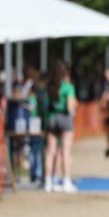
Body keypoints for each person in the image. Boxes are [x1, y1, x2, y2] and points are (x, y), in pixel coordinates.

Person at [44, 59, 78, 193]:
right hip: (64, 118)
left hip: (51, 118)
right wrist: (74, 111)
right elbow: (69, 107)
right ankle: (66, 182)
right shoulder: (68, 87)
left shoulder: (49, 86)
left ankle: (48, 182)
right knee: (65, 151)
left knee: (50, 151)